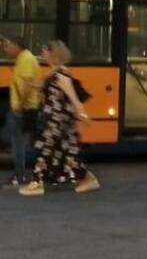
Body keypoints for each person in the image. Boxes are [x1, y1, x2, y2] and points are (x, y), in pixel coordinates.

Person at [19, 40, 99, 197]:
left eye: (44, 51)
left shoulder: (61, 73)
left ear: (53, 53)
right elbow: (46, 89)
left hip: (57, 119)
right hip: (56, 118)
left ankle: (36, 182)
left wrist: (82, 114)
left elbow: (71, 95)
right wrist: (31, 86)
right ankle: (87, 178)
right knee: (66, 151)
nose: (42, 54)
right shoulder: (53, 72)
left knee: (46, 148)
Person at [5, 36, 40, 187]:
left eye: (8, 45)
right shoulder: (23, 58)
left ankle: (19, 176)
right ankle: (19, 174)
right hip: (22, 108)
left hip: (23, 109)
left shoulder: (26, 59)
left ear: (17, 45)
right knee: (19, 143)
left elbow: (26, 85)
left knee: (19, 144)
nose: (6, 49)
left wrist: (19, 106)